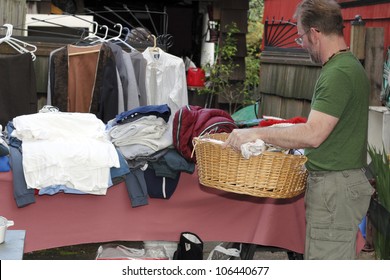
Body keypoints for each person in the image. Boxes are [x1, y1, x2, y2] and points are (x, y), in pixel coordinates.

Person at [223, 0, 374, 260]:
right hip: (339, 185)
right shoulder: (347, 67)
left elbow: (313, 134)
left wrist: (256, 133)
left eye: (300, 36)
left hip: (334, 188)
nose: (301, 43)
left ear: (315, 33)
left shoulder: (338, 73)